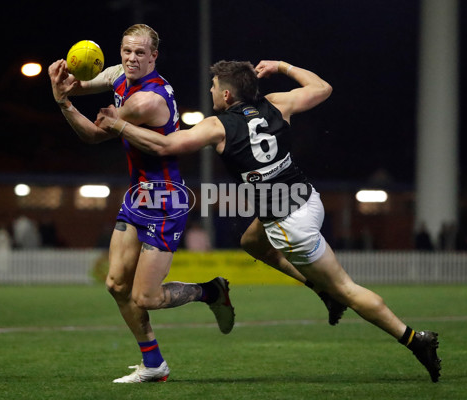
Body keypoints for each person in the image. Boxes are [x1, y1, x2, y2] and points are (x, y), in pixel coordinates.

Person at [95, 59, 442, 382]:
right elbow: (323, 88)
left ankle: (414, 339)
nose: (212, 91)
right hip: (306, 198)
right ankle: (323, 290)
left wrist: (120, 125)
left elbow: (164, 147)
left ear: (227, 93)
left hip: (289, 224)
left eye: (215, 86)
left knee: (347, 289)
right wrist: (284, 66)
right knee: (251, 242)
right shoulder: (277, 103)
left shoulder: (217, 126)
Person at [48, 24, 235, 383]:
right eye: (126, 51)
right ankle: (154, 364)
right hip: (138, 194)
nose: (131, 59)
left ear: (154, 56)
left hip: (166, 201)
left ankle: (211, 291)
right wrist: (71, 81)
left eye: (140, 53)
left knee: (145, 297)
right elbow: (93, 82)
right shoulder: (121, 74)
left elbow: (90, 135)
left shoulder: (146, 101)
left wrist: (62, 100)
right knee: (117, 285)